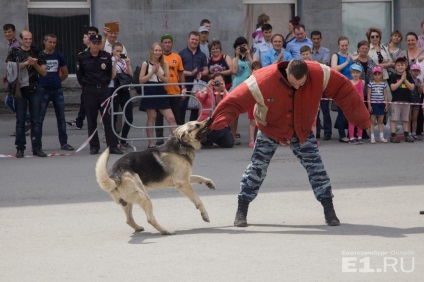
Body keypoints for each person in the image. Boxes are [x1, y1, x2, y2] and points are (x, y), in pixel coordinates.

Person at [209, 59, 370, 227]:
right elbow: (235, 100)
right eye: (293, 83)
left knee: (317, 169)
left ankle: (329, 211)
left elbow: (344, 90)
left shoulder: (320, 73)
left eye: (301, 84)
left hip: (302, 129)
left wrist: (362, 119)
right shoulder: (263, 79)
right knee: (256, 169)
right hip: (270, 128)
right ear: (287, 74)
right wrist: (215, 123)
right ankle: (241, 210)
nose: (297, 87)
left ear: (307, 75)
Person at [76, 34, 123, 155]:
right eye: (94, 43)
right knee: (91, 120)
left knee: (108, 119)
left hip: (103, 90)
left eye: (98, 43)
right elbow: (80, 76)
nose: (96, 45)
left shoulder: (106, 56)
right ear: (89, 44)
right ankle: (94, 146)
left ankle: (112, 146)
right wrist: (87, 87)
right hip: (90, 91)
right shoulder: (82, 57)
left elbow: (109, 74)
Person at [6, 30, 47, 158]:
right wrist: (25, 63)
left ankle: (37, 147)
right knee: (20, 120)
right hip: (21, 89)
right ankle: (20, 148)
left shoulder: (37, 51)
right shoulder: (14, 51)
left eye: (30, 39)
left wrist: (34, 64)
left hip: (34, 88)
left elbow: (44, 72)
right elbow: (9, 68)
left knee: (36, 121)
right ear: (21, 39)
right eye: (26, 39)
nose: (28, 41)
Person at [38, 34, 74, 151]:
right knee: (39, 119)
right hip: (43, 90)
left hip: (57, 90)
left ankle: (64, 143)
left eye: (54, 42)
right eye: (50, 42)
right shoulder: (39, 55)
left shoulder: (59, 55)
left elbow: (65, 72)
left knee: (61, 118)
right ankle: (37, 145)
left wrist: (58, 81)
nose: (52, 44)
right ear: (45, 42)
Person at [139, 42, 177, 148]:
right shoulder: (145, 63)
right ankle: (151, 143)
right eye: (156, 50)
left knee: (171, 117)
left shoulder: (164, 63)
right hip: (150, 89)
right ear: (152, 51)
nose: (158, 52)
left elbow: (166, 80)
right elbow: (141, 80)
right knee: (152, 117)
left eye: (160, 50)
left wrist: (157, 72)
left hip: (160, 89)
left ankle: (175, 142)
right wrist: (152, 72)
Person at [155, 34, 185, 146]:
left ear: (172, 43)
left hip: (175, 91)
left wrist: (183, 88)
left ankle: (179, 137)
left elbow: (181, 73)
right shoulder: (158, 57)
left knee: (176, 115)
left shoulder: (177, 57)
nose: (167, 44)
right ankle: (159, 137)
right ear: (162, 44)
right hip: (161, 91)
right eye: (165, 42)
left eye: (169, 42)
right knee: (159, 116)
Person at [67, 26, 99, 130]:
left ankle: (80, 121)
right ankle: (79, 121)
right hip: (88, 84)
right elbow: (79, 71)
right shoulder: (83, 54)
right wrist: (83, 83)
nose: (91, 36)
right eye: (89, 34)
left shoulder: (101, 52)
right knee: (85, 102)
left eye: (93, 33)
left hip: (100, 85)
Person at [195, 73, 233, 148]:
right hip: (207, 121)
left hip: (221, 121)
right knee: (219, 130)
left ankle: (213, 139)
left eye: (220, 81)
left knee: (229, 144)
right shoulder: (208, 90)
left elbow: (231, 101)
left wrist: (224, 89)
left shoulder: (224, 92)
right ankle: (206, 140)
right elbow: (199, 97)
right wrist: (207, 86)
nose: (218, 83)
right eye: (216, 81)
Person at [178, 31, 208, 123]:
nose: (194, 41)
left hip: (197, 85)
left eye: (196, 40)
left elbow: (206, 70)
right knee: (181, 107)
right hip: (184, 84)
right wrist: (190, 73)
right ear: (188, 39)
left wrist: (201, 74)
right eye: (192, 39)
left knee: (196, 107)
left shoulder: (202, 55)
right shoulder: (181, 53)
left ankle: (191, 129)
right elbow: (178, 71)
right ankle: (181, 129)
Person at [109, 42, 133, 149]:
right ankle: (113, 141)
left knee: (129, 117)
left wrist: (128, 64)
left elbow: (131, 76)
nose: (119, 53)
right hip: (115, 90)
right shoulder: (110, 61)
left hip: (125, 90)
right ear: (112, 51)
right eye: (116, 51)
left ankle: (123, 139)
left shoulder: (124, 61)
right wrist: (115, 63)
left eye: (120, 51)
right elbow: (113, 76)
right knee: (114, 117)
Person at [331, 36, 355, 143]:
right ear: (338, 46)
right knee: (342, 111)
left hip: (351, 86)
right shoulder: (335, 55)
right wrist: (346, 62)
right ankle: (342, 135)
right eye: (342, 45)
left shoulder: (351, 56)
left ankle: (351, 133)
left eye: (346, 45)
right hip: (340, 86)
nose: (344, 47)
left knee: (350, 111)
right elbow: (333, 68)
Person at [231, 36, 254, 144]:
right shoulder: (235, 58)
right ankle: (233, 135)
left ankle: (253, 137)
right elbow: (234, 71)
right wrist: (237, 55)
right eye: (240, 47)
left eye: (244, 45)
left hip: (249, 87)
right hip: (238, 86)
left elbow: (255, 68)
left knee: (253, 113)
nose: (243, 48)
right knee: (235, 113)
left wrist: (248, 55)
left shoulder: (251, 56)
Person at [310, 30, 331, 140]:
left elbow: (325, 64)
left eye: (318, 38)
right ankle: (316, 132)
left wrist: (313, 65)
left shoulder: (326, 51)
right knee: (315, 110)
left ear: (321, 39)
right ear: (311, 39)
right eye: (314, 39)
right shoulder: (308, 51)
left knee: (325, 109)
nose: (316, 41)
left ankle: (328, 133)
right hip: (312, 85)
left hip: (323, 83)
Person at [388, 57, 415, 143]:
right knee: (394, 119)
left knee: (405, 119)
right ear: (395, 67)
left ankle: (406, 135)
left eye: (402, 65)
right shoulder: (393, 76)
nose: (400, 66)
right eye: (398, 65)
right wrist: (401, 80)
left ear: (405, 66)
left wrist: (405, 79)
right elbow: (393, 88)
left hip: (406, 101)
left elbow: (412, 87)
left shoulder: (409, 76)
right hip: (396, 101)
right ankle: (393, 135)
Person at [367, 66, 388, 144]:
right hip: (373, 104)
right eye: (375, 74)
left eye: (379, 74)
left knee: (380, 121)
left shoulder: (383, 84)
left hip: (381, 104)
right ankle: (372, 137)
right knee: (372, 121)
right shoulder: (370, 84)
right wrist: (369, 105)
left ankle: (381, 137)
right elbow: (368, 95)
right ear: (372, 75)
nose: (377, 76)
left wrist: (386, 105)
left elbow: (385, 95)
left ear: (381, 75)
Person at [349, 64, 366, 144]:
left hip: (360, 105)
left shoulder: (362, 82)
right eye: (353, 72)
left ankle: (360, 137)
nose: (355, 74)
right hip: (351, 105)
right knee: (351, 122)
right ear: (351, 73)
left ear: (360, 73)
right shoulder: (349, 82)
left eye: (357, 72)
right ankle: (351, 138)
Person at [248, 61, 262, 148]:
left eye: (258, 69)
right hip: (252, 102)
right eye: (254, 69)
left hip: (260, 101)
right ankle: (251, 140)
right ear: (252, 70)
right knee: (253, 122)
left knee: (261, 121)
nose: (256, 71)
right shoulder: (249, 79)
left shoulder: (264, 79)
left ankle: (259, 139)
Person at [409, 64, 423, 139]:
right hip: (409, 100)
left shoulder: (419, 81)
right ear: (411, 71)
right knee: (409, 118)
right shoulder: (408, 79)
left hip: (416, 100)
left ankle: (414, 132)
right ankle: (408, 132)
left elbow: (420, 93)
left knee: (415, 118)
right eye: (414, 71)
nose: (416, 73)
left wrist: (419, 87)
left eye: (417, 71)